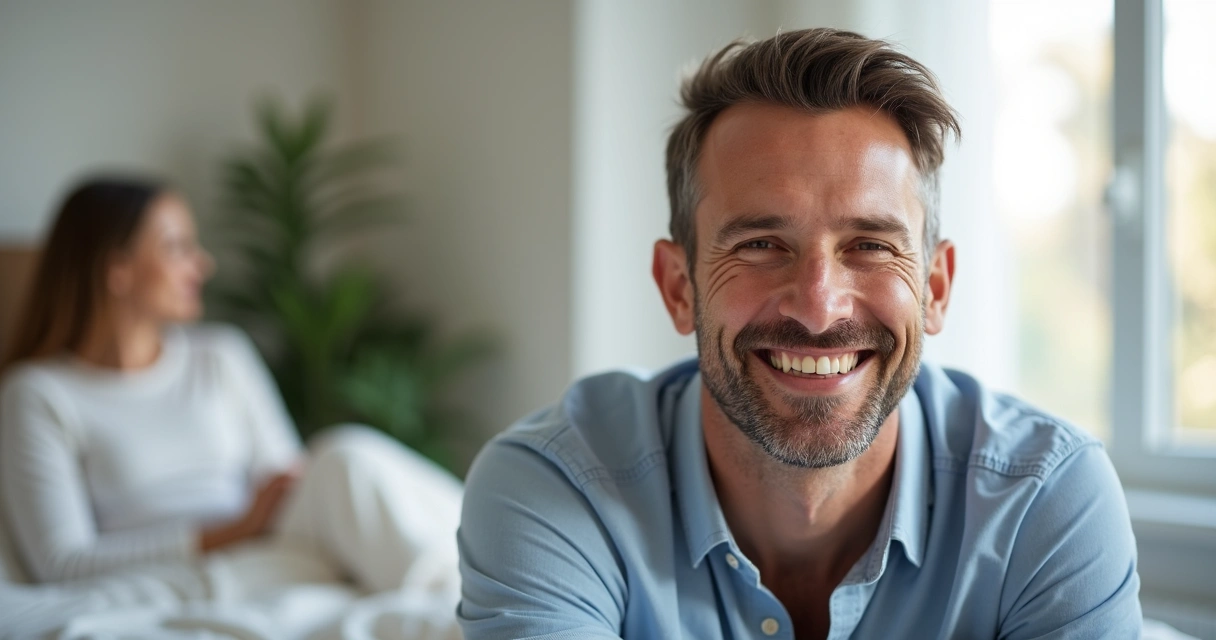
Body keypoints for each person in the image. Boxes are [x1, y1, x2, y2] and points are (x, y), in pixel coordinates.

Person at [457, 28, 1141, 639]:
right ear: (679, 286)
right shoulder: (552, 489)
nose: (818, 307)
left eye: (871, 245)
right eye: (759, 243)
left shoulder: (1047, 499)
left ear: (934, 288)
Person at [0, 178, 463, 626]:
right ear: (116, 269)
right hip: (195, 568)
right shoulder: (38, 393)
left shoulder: (221, 355)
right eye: (177, 247)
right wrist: (231, 532)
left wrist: (259, 519)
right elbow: (61, 563)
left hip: (274, 541)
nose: (202, 264)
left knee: (341, 455)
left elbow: (284, 477)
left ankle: (477, 591)